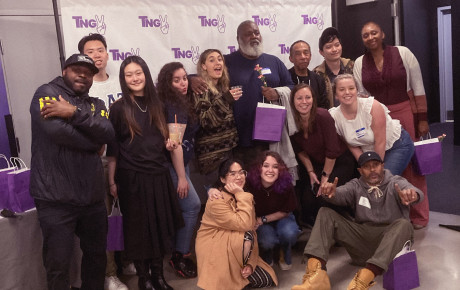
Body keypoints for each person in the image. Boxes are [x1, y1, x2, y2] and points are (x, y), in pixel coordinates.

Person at [30, 53, 115, 289]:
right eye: (77, 70)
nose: (83, 75)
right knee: (58, 264)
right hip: (55, 198)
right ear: (65, 70)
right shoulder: (45, 94)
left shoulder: (96, 104)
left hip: (92, 198)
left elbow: (108, 132)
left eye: (88, 73)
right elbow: (58, 133)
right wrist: (93, 144)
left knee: (97, 258)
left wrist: (73, 114)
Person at [291, 151, 424, 290]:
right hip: (362, 242)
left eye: (376, 165)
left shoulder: (395, 182)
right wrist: (331, 192)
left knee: (404, 225)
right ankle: (317, 276)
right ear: (360, 171)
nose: (372, 169)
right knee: (326, 213)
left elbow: (414, 191)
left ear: (382, 166)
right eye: (367, 166)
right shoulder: (356, 185)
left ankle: (363, 280)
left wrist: (412, 195)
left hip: (390, 244)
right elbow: (340, 194)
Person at [106, 55, 183, 290]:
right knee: (138, 230)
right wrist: (111, 180)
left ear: (146, 74)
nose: (134, 78)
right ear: (123, 79)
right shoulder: (118, 108)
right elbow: (113, 150)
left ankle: (159, 276)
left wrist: (171, 144)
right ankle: (144, 278)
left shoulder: (159, 104)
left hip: (159, 174)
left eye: (138, 73)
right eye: (129, 75)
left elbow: (171, 138)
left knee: (160, 227)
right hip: (131, 178)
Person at [353, 21, 430, 229]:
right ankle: (395, 215)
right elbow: (362, 95)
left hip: (404, 112)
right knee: (386, 164)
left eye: (374, 33)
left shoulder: (403, 53)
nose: (370, 37)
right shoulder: (359, 63)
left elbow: (418, 85)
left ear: (383, 34)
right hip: (378, 117)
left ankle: (419, 215)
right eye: (366, 35)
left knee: (413, 166)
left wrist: (422, 118)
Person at [192, 20, 294, 167]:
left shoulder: (274, 61)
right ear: (238, 39)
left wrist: (278, 93)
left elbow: (292, 87)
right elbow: (203, 74)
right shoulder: (227, 61)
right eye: (248, 34)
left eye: (256, 32)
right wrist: (191, 80)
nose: (254, 36)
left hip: (270, 136)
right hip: (239, 140)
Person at [78, 33, 128, 290]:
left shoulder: (123, 82)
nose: (97, 55)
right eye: (91, 52)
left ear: (108, 54)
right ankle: (110, 273)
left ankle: (128, 259)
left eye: (101, 50)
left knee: (129, 212)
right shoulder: (82, 89)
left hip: (127, 159)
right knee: (106, 218)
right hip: (99, 162)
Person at [195, 158, 278, 290]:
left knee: (266, 279)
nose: (238, 177)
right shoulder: (216, 199)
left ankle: (240, 272)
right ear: (223, 179)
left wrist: (250, 264)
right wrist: (241, 194)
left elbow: (251, 226)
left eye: (241, 172)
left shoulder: (243, 194)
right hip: (216, 244)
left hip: (236, 241)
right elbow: (244, 225)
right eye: (232, 174)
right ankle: (227, 280)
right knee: (246, 235)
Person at [289, 83, 358, 225]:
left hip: (339, 161)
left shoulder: (323, 116)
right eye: (299, 98)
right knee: (308, 198)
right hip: (316, 163)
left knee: (325, 194)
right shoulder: (291, 120)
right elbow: (299, 150)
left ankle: (344, 224)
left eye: (308, 97)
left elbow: (332, 151)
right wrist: (310, 171)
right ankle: (317, 229)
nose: (304, 102)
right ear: (293, 101)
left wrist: (325, 177)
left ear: (313, 99)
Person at [156, 62, 200, 279]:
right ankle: (179, 254)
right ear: (167, 83)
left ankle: (178, 252)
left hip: (182, 163)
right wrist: (181, 177)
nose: (183, 83)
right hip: (174, 165)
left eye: (185, 78)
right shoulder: (174, 106)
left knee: (184, 208)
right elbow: (175, 145)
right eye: (177, 80)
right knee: (192, 205)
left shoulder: (175, 100)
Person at [329, 74, 414, 176]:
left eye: (351, 88)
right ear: (336, 95)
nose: (347, 92)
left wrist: (374, 169)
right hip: (369, 153)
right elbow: (351, 145)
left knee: (382, 182)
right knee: (368, 182)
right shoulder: (334, 116)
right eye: (342, 89)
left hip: (396, 145)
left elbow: (380, 142)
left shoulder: (372, 106)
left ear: (356, 91)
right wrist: (365, 165)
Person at [246, 151, 299, 270]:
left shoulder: (286, 184)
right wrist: (212, 191)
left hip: (282, 217)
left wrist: (262, 219)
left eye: (275, 167)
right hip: (260, 221)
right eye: (266, 166)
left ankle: (284, 249)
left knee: (289, 233)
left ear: (280, 170)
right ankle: (268, 253)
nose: (270, 170)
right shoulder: (249, 183)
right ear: (259, 168)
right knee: (267, 241)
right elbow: (224, 184)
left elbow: (286, 210)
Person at [193, 48, 239, 177]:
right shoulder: (201, 89)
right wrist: (226, 100)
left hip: (228, 153)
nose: (217, 63)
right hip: (213, 159)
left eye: (220, 59)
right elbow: (206, 121)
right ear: (203, 66)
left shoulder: (223, 88)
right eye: (211, 60)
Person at [314, 27, 354, 108]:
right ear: (321, 52)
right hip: (329, 117)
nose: (334, 49)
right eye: (329, 47)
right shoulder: (316, 74)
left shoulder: (352, 66)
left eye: (337, 45)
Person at [288, 40, 329, 109]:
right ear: (291, 59)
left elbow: (323, 106)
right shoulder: (285, 78)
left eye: (306, 53)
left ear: (310, 56)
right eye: (298, 54)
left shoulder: (318, 80)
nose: (303, 57)